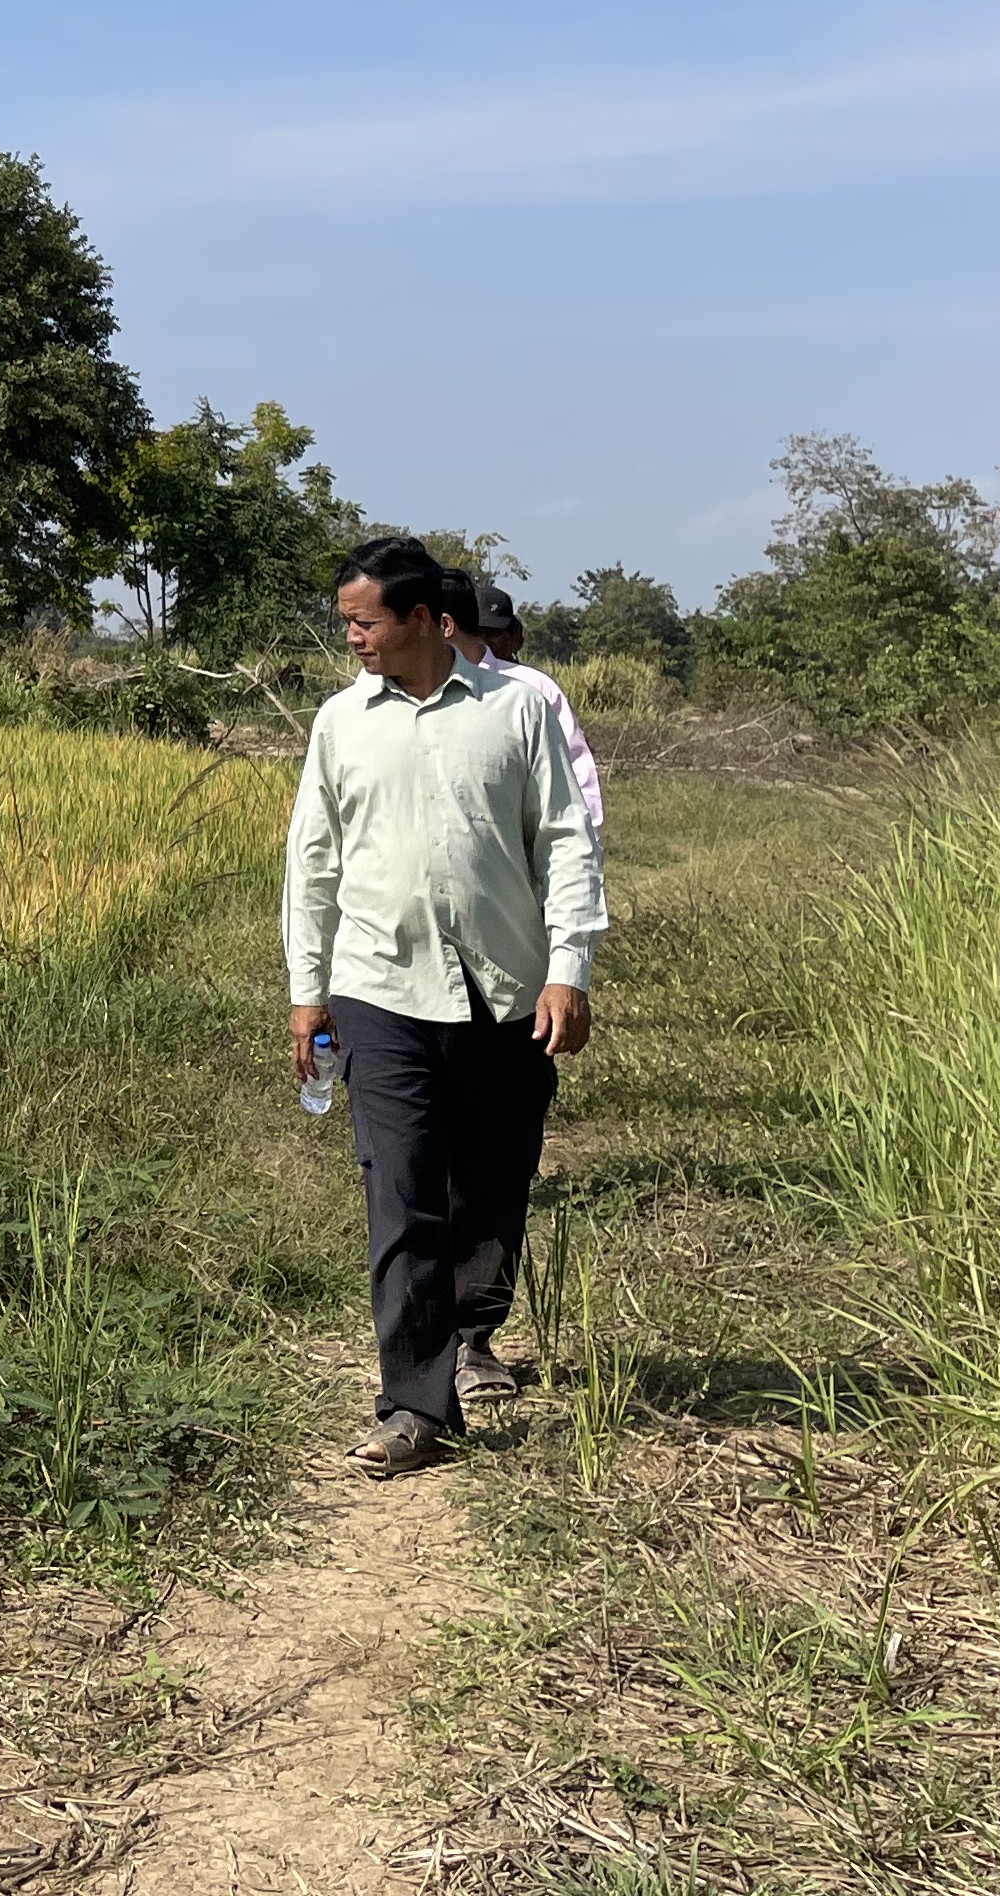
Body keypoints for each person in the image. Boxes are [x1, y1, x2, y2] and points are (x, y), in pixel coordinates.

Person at [285, 536, 605, 1475]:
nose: (352, 637)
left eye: (365, 620)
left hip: (507, 991)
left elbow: (566, 841)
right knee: (401, 1188)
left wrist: (568, 967)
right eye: (347, 620)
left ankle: (473, 1332)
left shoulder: (517, 710)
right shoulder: (341, 724)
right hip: (380, 988)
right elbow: (313, 863)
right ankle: (415, 1403)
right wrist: (308, 993)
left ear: (426, 620)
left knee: (495, 1179)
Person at [441, 572, 605, 855]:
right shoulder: (429, 683)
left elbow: (577, 773)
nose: (491, 640)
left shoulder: (535, 688)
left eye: (498, 632)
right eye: (484, 631)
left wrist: (586, 850)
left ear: (516, 635)